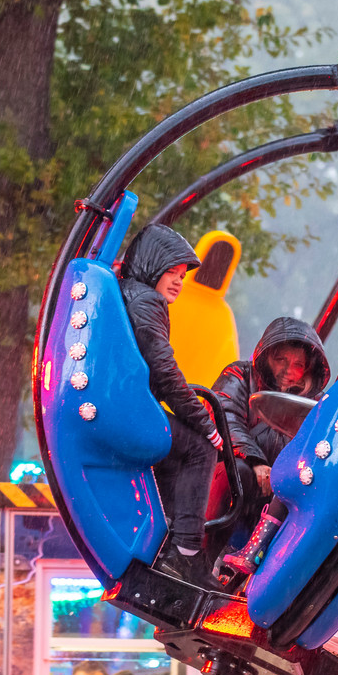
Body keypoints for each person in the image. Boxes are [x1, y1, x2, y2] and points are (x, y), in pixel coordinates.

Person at [120, 224, 224, 574]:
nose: (179, 281)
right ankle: (187, 551)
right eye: (171, 272)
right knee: (200, 447)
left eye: (182, 275)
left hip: (122, 406)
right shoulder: (147, 301)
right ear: (151, 266)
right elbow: (164, 372)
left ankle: (167, 534)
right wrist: (205, 423)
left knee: (174, 446)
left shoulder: (129, 294)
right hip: (129, 412)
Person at [210, 316, 330, 559]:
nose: (288, 370)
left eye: (298, 364)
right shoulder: (239, 374)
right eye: (280, 360)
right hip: (227, 475)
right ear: (266, 356)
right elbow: (224, 416)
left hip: (277, 494)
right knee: (239, 474)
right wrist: (255, 461)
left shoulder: (316, 404)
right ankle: (201, 558)